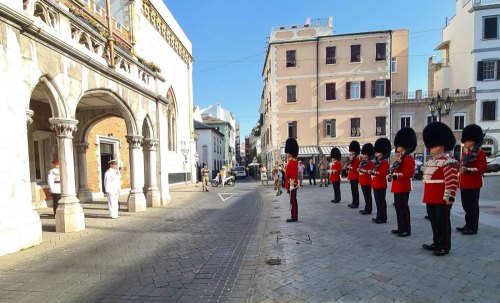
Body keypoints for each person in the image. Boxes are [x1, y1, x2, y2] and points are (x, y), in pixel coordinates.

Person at [421, 122, 459, 256]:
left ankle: (444, 246)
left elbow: (452, 181)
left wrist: (450, 197)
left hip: (441, 198)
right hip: (430, 197)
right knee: (434, 221)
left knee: (442, 223)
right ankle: (436, 242)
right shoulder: (430, 161)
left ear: (442, 147)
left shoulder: (449, 161)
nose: (430, 149)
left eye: (433, 146)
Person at [458, 124, 487, 235]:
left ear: (473, 142)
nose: (464, 143)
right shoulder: (466, 153)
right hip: (465, 183)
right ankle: (467, 224)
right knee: (466, 206)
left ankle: (473, 227)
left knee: (472, 207)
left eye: (466, 141)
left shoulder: (480, 154)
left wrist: (469, 170)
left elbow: (482, 169)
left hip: (473, 183)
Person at [389, 128, 417, 236]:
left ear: (404, 145)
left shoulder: (408, 159)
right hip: (398, 186)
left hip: (403, 186)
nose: (396, 148)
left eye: (398, 145)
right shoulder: (401, 158)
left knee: (403, 208)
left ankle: (406, 229)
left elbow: (408, 174)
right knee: (398, 208)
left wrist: (395, 175)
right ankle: (400, 227)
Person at [369, 138, 391, 224]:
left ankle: (383, 217)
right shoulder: (377, 161)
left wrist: (373, 172)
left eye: (377, 152)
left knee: (381, 202)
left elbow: (383, 173)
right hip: (376, 184)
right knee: (378, 202)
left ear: (381, 152)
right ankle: (379, 216)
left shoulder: (384, 162)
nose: (376, 153)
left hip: (381, 184)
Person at [285, 138, 299, 222]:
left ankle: (294, 217)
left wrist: (291, 185)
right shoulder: (291, 162)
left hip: (292, 185)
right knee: (292, 200)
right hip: (290, 184)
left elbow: (293, 175)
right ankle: (293, 216)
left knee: (293, 201)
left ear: (290, 153)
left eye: (287, 152)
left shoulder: (292, 162)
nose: (286, 154)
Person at [358, 143, 374, 215]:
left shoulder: (370, 162)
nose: (363, 155)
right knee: (365, 196)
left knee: (368, 196)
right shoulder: (363, 162)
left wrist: (362, 170)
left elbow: (369, 172)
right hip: (363, 181)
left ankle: (369, 209)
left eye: (364, 154)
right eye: (363, 154)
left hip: (367, 181)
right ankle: (366, 207)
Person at [347, 140, 361, 209]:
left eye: (352, 151)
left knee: (355, 191)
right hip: (352, 176)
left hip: (355, 177)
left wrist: (350, 167)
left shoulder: (357, 159)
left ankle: (356, 203)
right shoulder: (353, 158)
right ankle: (353, 202)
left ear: (355, 151)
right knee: (353, 190)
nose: (351, 152)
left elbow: (356, 167)